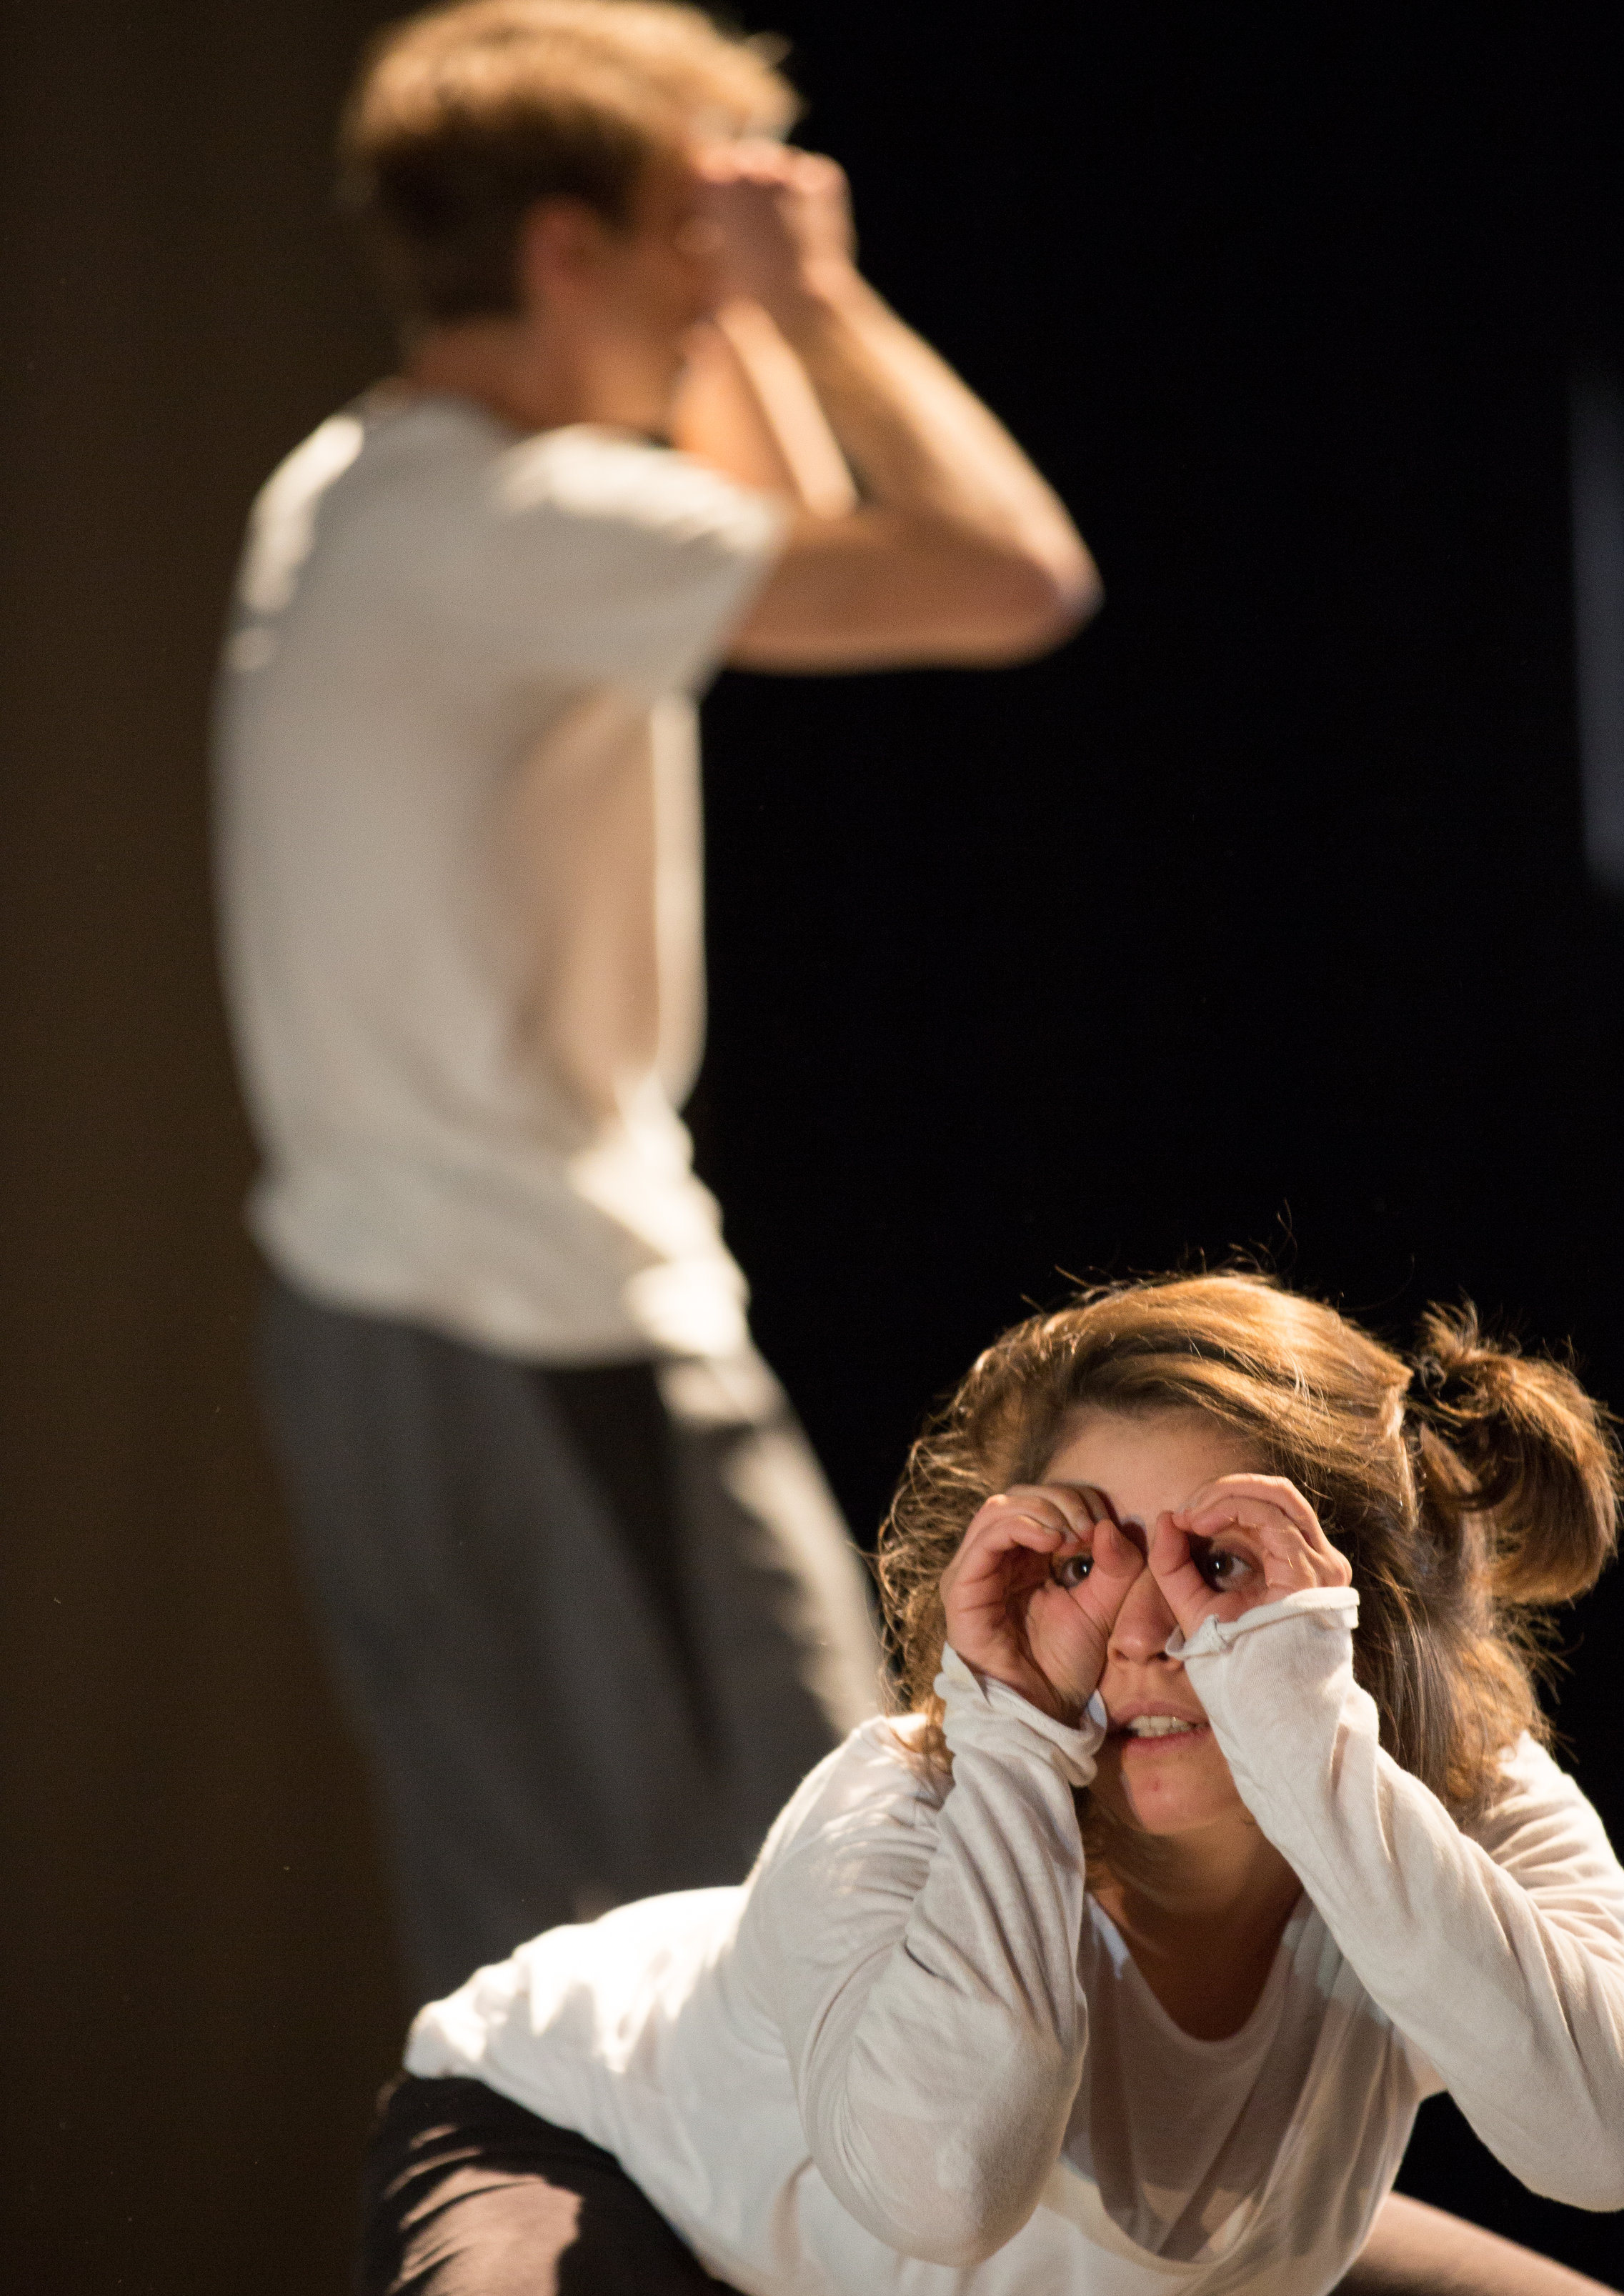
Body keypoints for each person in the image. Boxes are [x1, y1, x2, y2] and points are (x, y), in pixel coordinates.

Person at [219, 1272, 1624, 2296]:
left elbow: (1607, 2149)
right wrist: (1021, 1750)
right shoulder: (891, 1810)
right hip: (621, 2182)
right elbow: (936, 2199)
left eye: (1219, 1560)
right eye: (1080, 1556)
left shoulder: (1452, 1798)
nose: (1145, 1633)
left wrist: (1306, 1747)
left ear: (1346, 1595)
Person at [212, 0, 1099, 2015]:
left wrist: (737, 315)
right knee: (756, 1929)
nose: (718, 297)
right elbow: (1008, 576)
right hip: (528, 1321)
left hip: (430, 1317)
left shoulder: (373, 484)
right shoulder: (521, 527)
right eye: (682, 244)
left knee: (619, 1951)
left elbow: (755, 515)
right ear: (563, 250)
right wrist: (832, 300)